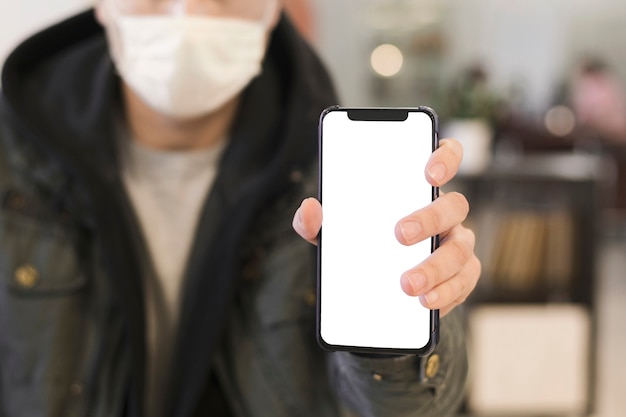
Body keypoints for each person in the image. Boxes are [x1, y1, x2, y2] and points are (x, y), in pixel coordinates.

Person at [0, 0, 481, 416]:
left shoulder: (338, 176)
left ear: (275, 7)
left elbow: (409, 408)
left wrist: (411, 321)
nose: (188, 14)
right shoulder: (12, 164)